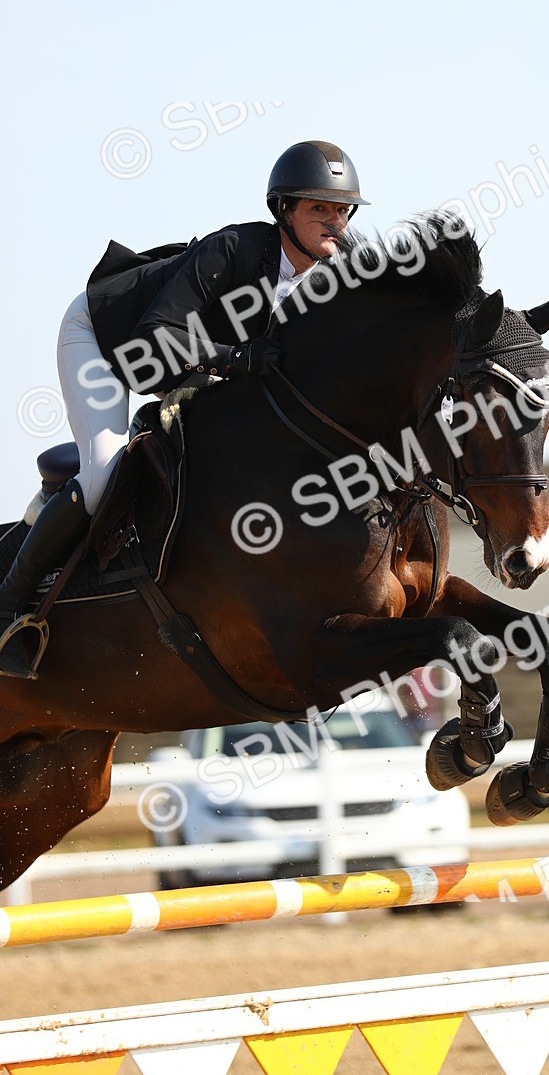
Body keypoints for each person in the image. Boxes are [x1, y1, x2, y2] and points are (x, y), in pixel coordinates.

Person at [0, 140, 369, 679]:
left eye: (342, 210)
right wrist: (233, 356)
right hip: (104, 340)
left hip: (190, 366)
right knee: (105, 473)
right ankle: (9, 603)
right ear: (284, 212)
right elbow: (155, 337)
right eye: (319, 209)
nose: (335, 222)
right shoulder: (233, 249)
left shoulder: (332, 277)